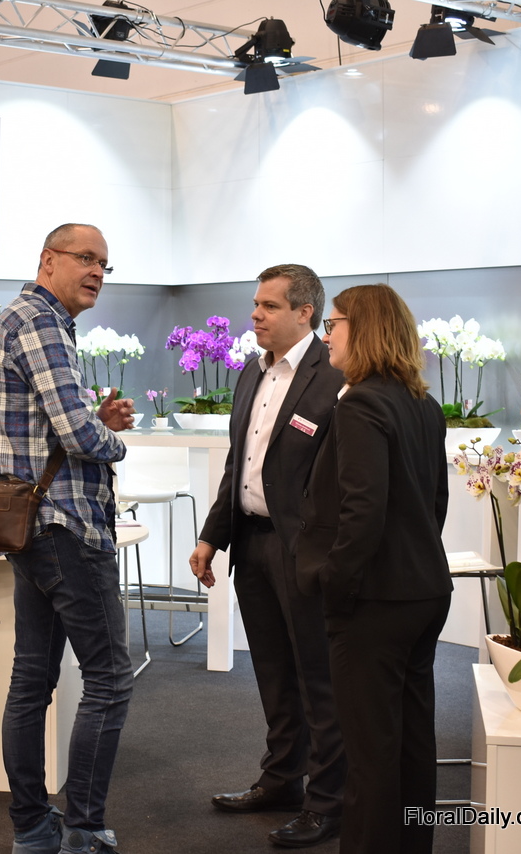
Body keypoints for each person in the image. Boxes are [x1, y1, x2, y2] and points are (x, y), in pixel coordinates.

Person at [0, 223, 136, 854]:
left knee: (31, 681)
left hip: (33, 527)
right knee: (109, 679)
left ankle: (32, 829)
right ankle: (85, 830)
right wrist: (114, 439)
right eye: (85, 258)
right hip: (66, 527)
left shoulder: (24, 320)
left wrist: (94, 421)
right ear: (48, 260)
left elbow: (50, 428)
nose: (96, 271)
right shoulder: (41, 323)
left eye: (104, 264)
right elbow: (77, 435)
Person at [189, 264, 347, 849]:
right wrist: (212, 536)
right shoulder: (251, 372)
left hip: (303, 550)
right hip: (251, 544)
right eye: (256, 304)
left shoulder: (334, 375)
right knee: (274, 673)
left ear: (306, 313)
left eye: (270, 306)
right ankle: (282, 780)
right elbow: (240, 463)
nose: (255, 315)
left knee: (317, 679)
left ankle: (328, 802)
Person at [297, 284, 452, 854]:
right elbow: (435, 503)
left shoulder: (360, 404)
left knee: (370, 754)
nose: (326, 336)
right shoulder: (422, 405)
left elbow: (362, 510)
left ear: (361, 330)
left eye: (333, 323)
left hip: (375, 601)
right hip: (422, 591)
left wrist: (337, 583)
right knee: (412, 744)